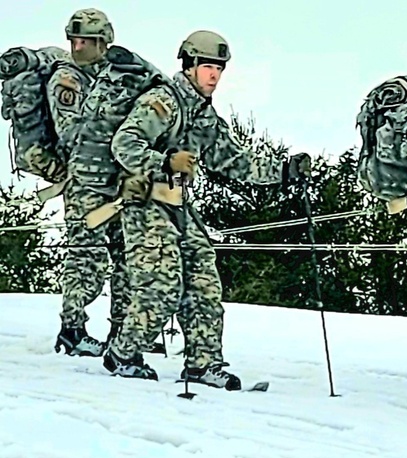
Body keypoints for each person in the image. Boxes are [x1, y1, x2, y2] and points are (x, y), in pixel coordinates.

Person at [100, 30, 310, 390]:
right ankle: (123, 353)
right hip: (145, 203)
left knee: (204, 282)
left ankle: (203, 363)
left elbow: (235, 161)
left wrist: (283, 171)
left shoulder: (204, 115)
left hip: (179, 204)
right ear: (190, 65)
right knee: (162, 285)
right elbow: (125, 144)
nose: (214, 75)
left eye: (219, 68)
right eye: (208, 67)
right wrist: (165, 161)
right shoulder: (162, 102)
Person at [48, 8, 154, 357]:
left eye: (87, 41)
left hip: (116, 182)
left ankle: (122, 330)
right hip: (85, 184)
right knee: (86, 256)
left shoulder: (112, 76)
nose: (79, 47)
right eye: (75, 40)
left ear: (104, 41)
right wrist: (104, 108)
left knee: (125, 254)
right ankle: (72, 329)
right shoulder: (67, 80)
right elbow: (69, 133)